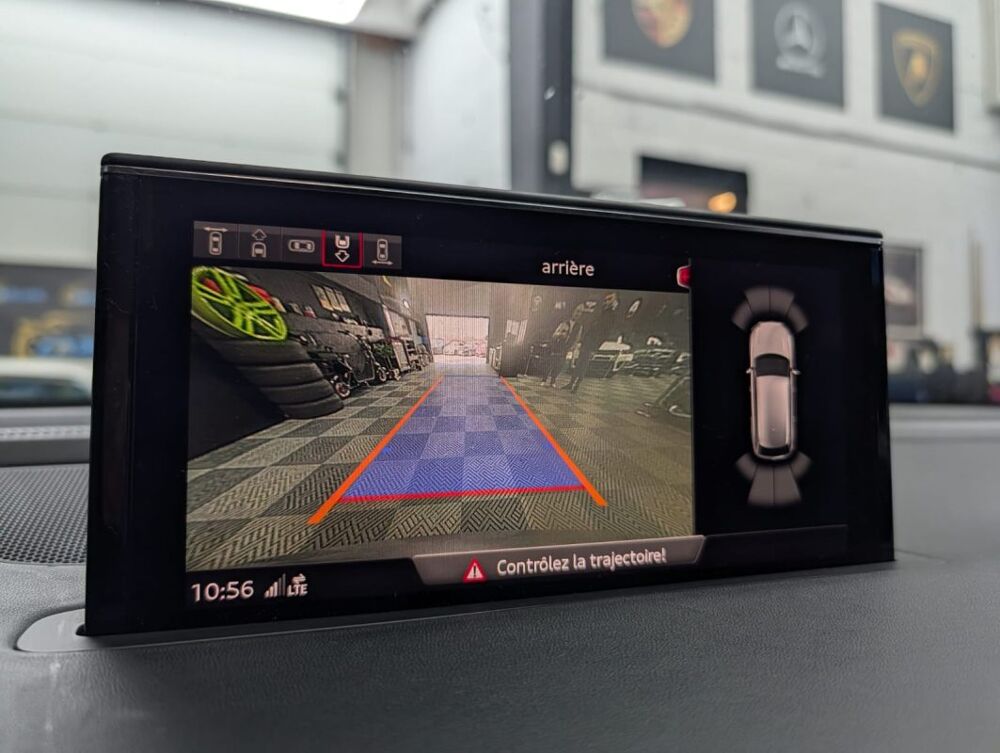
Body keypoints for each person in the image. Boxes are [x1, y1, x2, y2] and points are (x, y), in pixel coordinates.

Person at [565, 292, 619, 393]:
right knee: (579, 362)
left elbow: (605, 332)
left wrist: (596, 346)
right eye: (606, 300)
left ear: (614, 301)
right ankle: (571, 383)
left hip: (593, 342)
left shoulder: (611, 315)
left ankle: (576, 385)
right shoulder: (601, 310)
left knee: (583, 364)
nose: (606, 302)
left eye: (609, 300)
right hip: (587, 339)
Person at [542, 308, 582, 386]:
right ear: (573, 312)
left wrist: (572, 347)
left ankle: (553, 381)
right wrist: (560, 335)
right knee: (551, 363)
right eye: (577, 311)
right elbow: (554, 335)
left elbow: (577, 339)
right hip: (558, 346)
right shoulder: (564, 323)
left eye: (580, 312)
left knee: (559, 365)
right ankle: (544, 379)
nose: (578, 314)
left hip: (567, 348)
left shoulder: (579, 326)